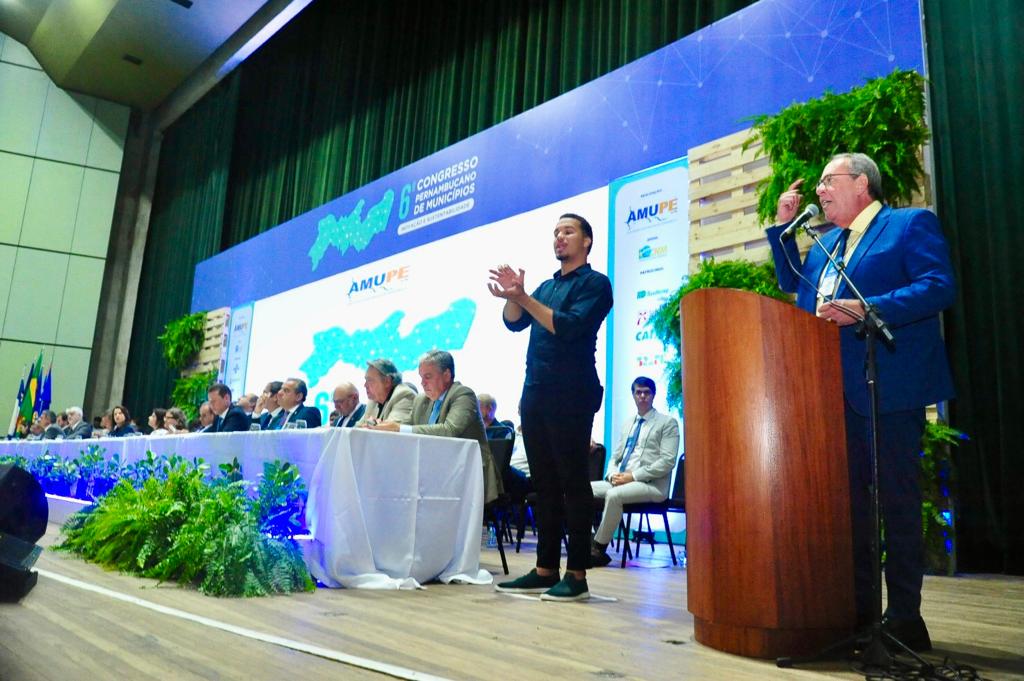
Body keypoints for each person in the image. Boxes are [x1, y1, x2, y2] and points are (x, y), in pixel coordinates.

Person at [766, 152, 955, 651]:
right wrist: (784, 228)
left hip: (888, 387)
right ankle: (860, 611)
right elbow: (795, 287)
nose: (820, 191)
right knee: (849, 510)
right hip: (829, 396)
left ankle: (905, 618)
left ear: (862, 184)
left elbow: (938, 287)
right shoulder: (825, 244)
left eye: (829, 181)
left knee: (896, 501)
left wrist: (867, 309)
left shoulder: (908, 224)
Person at [488, 212, 613, 601]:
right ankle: (545, 568)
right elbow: (514, 323)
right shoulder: (544, 286)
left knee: (572, 483)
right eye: (556, 232)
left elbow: (569, 327)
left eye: (568, 231)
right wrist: (514, 298)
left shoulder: (596, 284)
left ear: (587, 241)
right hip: (536, 393)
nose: (560, 238)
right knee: (544, 486)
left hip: (572, 393)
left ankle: (576, 573)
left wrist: (524, 298)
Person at [370, 350, 502, 504]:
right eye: (421, 377)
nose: (422, 383)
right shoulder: (421, 400)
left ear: (446, 375)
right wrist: (383, 426)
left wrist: (398, 428)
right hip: (435, 471)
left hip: (468, 473)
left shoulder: (463, 395)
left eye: (428, 377)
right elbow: (409, 430)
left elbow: (449, 431)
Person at [589, 377, 679, 567]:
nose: (643, 396)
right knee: (583, 489)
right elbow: (615, 456)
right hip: (622, 480)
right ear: (633, 395)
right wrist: (612, 474)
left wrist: (634, 476)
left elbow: (668, 461)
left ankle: (598, 549)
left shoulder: (667, 423)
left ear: (653, 395)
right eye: (638, 392)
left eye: (647, 392)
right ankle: (584, 540)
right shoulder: (629, 422)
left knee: (614, 495)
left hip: (651, 485)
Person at [357, 359, 415, 426]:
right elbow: (357, 428)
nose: (365, 385)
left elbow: (392, 429)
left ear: (387, 381)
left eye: (370, 380)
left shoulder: (403, 396)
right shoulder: (373, 400)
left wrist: (370, 425)